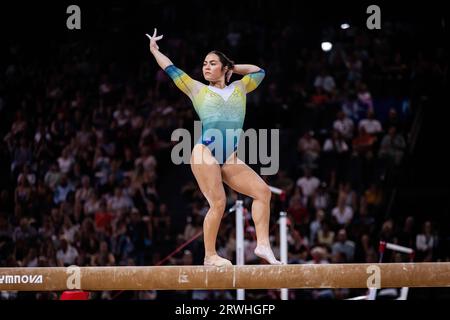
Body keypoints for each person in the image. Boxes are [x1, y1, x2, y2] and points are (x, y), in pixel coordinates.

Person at [147, 29, 280, 266]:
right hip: (204, 152)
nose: (206, 67)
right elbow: (171, 69)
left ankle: (263, 245)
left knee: (263, 192)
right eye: (204, 64)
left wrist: (232, 67)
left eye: (212, 63)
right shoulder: (197, 89)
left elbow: (260, 71)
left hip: (229, 157)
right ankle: (210, 256)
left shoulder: (240, 88)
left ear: (224, 68)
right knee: (218, 203)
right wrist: (155, 50)